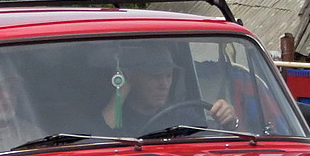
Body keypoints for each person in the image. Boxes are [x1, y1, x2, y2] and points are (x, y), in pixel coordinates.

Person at [97, 42, 237, 136]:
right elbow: (99, 138)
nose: (164, 84)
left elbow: (209, 141)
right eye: (154, 76)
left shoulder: (182, 114)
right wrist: (121, 91)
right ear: (130, 76)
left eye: (168, 75)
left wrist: (229, 121)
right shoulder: (117, 117)